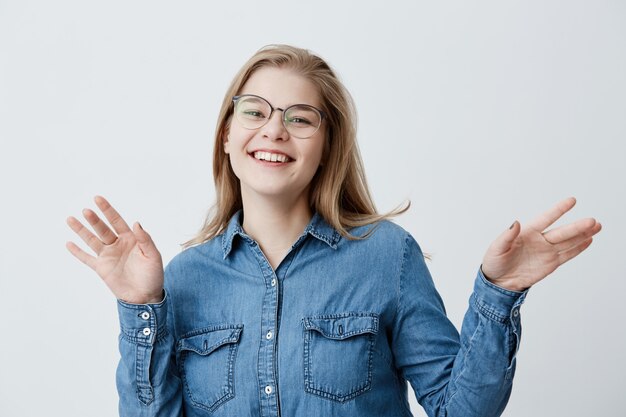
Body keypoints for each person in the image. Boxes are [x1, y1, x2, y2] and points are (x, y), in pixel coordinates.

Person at [66, 44, 601, 417]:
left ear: (326, 149)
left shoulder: (388, 257)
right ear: (228, 136)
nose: (274, 128)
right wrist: (141, 306)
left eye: (300, 117)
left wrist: (498, 293)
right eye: (255, 111)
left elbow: (457, 410)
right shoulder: (181, 280)